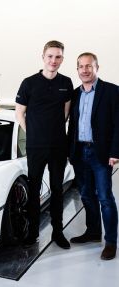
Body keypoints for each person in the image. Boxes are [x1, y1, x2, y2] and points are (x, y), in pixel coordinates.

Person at [15, 40, 73, 249]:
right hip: (36, 147)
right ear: (43, 57)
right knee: (34, 188)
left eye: (58, 57)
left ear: (62, 60)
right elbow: (20, 113)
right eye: (50, 56)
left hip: (58, 146)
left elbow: (65, 113)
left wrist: (52, 133)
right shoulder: (29, 83)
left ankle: (58, 232)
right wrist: (34, 133)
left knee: (58, 189)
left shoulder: (66, 83)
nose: (53, 60)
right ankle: (32, 233)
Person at [68, 52, 119, 260]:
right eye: (81, 66)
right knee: (87, 196)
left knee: (105, 198)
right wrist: (68, 152)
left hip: (101, 153)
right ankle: (93, 232)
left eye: (89, 66)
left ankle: (111, 242)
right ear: (77, 69)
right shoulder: (75, 94)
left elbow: (118, 124)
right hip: (79, 152)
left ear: (97, 67)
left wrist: (115, 152)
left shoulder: (112, 91)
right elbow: (71, 125)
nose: (85, 70)